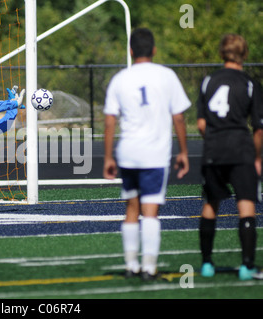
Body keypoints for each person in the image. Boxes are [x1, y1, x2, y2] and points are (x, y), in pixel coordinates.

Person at [103, 28, 191, 280]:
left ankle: (131, 266)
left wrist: (108, 157)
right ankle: (150, 268)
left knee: (132, 208)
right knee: (150, 211)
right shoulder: (167, 76)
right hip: (155, 154)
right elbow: (179, 117)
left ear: (130, 51)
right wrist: (184, 151)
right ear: (154, 50)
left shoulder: (120, 78)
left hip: (128, 153)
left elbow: (110, 121)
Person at [197, 34, 263, 280]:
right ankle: (247, 265)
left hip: (214, 149)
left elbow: (202, 124)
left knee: (210, 204)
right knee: (245, 204)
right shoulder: (249, 83)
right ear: (244, 54)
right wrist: (256, 156)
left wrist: (215, 140)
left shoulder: (208, 81)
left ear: (221, 54)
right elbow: (259, 127)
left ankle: (206, 263)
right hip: (240, 150)